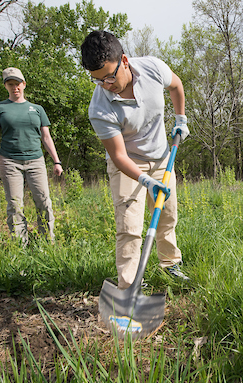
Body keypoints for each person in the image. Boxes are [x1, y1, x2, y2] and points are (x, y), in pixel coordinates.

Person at [81, 30, 190, 289]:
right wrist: (145, 180)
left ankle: (170, 266)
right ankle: (129, 287)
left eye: (109, 76)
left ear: (125, 61)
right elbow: (118, 155)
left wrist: (181, 119)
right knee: (129, 227)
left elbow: (176, 85)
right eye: (98, 80)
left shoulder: (153, 68)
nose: (106, 85)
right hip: (129, 164)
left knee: (167, 216)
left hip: (162, 157)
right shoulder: (99, 108)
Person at [0, 67, 63, 246]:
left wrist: (56, 161)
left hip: (36, 161)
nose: (15, 87)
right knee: (15, 205)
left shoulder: (37, 109)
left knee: (44, 201)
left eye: (17, 83)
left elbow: (46, 137)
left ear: (24, 84)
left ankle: (47, 244)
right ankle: (20, 246)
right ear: (6, 86)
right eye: (10, 84)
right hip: (10, 161)